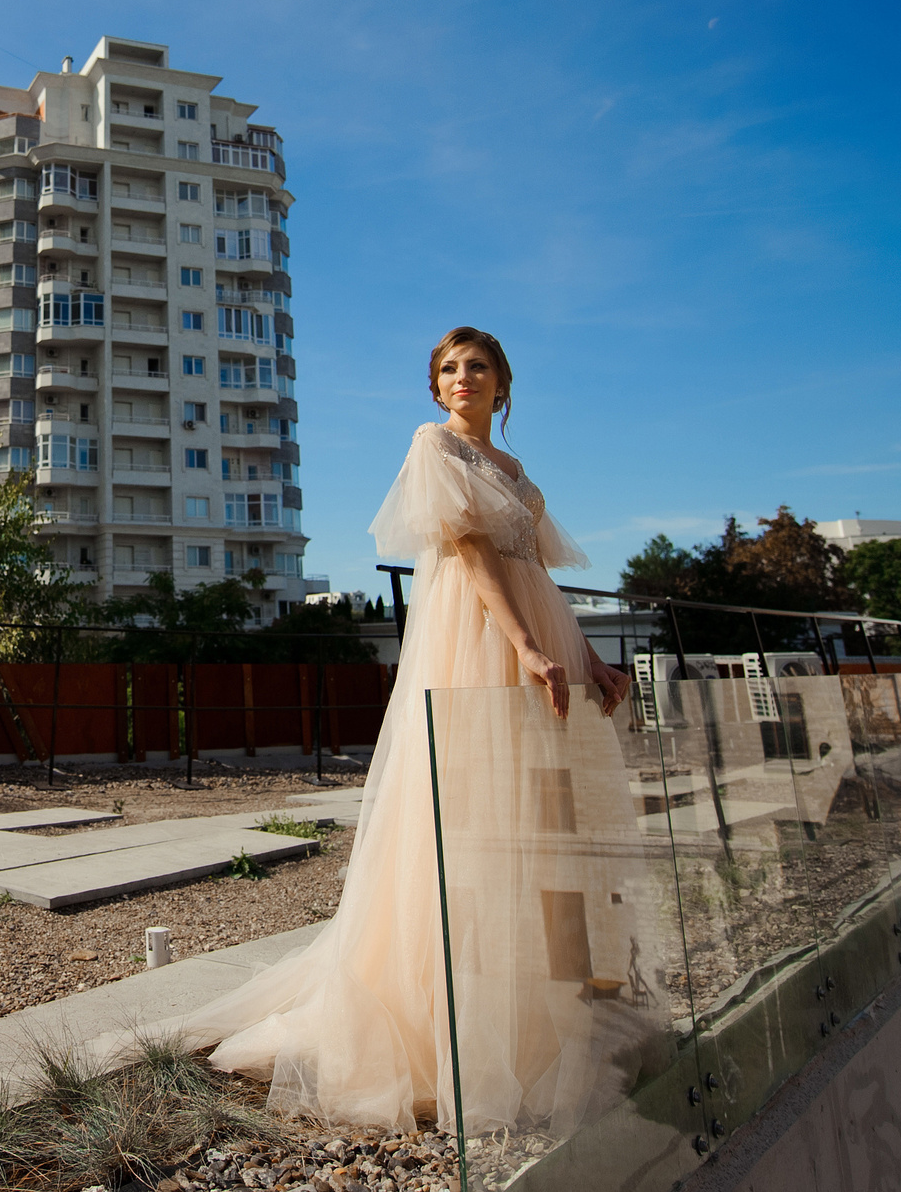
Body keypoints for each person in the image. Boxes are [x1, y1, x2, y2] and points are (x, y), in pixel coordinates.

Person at [175, 326, 652, 1135]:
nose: (463, 377)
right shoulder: (434, 445)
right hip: (474, 645)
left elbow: (536, 571)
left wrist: (591, 656)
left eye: (478, 366)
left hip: (537, 643)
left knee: (539, 825)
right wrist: (525, 645)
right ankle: (453, 1029)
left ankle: (542, 1015)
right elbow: (470, 552)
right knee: (464, 827)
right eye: (449, 368)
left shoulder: (518, 474)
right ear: (436, 388)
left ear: (504, 383)